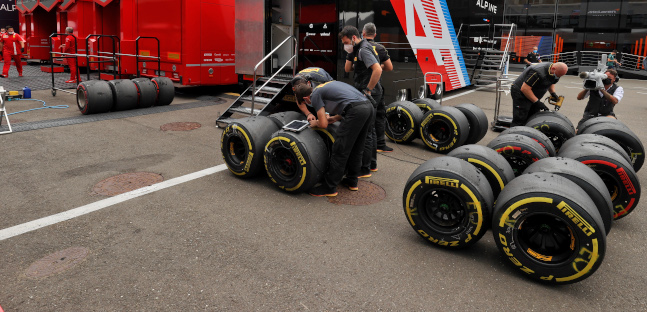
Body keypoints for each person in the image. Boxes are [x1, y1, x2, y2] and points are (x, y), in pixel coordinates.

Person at [294, 81, 374, 197]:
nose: (307, 104)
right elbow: (350, 101)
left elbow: (323, 124)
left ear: (306, 98)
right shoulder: (322, 86)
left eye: (304, 102)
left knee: (340, 149)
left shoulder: (315, 95)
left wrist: (315, 122)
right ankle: (352, 181)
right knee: (357, 147)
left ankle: (329, 187)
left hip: (356, 110)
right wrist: (335, 118)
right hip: (367, 107)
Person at [339, 25, 382, 177]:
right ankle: (372, 164)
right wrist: (350, 54)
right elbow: (348, 69)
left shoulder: (364, 49)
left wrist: (368, 90)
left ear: (354, 38)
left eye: (346, 43)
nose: (345, 46)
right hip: (366, 91)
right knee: (370, 129)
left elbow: (378, 69)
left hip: (369, 92)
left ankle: (365, 168)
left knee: (367, 130)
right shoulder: (357, 50)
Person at [346, 23, 394, 155]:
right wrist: (374, 65)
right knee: (379, 115)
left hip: (366, 88)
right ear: (375, 34)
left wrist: (370, 66)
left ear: (363, 33)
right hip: (377, 86)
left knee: (367, 125)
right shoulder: (380, 47)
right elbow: (389, 67)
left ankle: (368, 159)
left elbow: (347, 69)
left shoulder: (356, 48)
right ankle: (381, 144)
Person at [510, 62, 568, 127]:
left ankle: (528, 133)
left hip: (533, 93)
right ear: (553, 68)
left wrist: (553, 93)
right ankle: (515, 133)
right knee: (521, 118)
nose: (558, 77)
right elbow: (525, 89)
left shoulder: (555, 71)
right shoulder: (537, 72)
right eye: (558, 75)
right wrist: (537, 102)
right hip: (521, 93)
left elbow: (551, 80)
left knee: (533, 117)